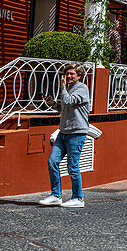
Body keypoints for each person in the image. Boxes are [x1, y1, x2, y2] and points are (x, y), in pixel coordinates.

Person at [39, 64, 91, 208]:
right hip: (63, 133)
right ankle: (56, 195)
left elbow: (69, 101)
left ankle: (78, 198)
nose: (68, 76)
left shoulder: (82, 88)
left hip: (76, 133)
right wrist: (53, 103)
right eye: (67, 74)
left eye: (72, 74)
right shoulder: (68, 90)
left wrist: (62, 87)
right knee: (52, 162)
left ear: (79, 76)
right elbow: (64, 107)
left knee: (72, 167)